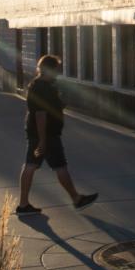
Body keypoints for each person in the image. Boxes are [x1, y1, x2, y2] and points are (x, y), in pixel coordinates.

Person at [17, 54, 97, 215]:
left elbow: (53, 108)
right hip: (47, 135)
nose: (58, 73)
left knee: (31, 165)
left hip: (41, 133)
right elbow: (40, 114)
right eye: (56, 70)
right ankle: (76, 199)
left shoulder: (43, 86)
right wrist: (43, 140)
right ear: (48, 70)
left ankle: (23, 205)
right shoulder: (41, 88)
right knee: (59, 166)